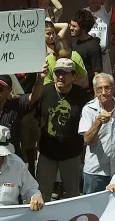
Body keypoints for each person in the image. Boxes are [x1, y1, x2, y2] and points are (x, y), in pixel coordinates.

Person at [35, 58, 90, 201]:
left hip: (71, 154)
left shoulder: (82, 95)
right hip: (47, 152)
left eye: (65, 73)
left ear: (74, 76)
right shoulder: (44, 91)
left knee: (73, 194)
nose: (60, 76)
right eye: (57, 72)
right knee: (42, 192)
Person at [79, 73, 115, 193]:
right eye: (99, 89)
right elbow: (87, 140)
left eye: (107, 88)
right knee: (92, 208)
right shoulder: (88, 110)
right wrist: (98, 122)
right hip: (96, 172)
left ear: (113, 89)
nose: (104, 92)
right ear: (94, 91)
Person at [70, 9, 103, 82]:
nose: (71, 28)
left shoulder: (93, 46)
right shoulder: (73, 40)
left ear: (84, 28)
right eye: (70, 25)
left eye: (74, 26)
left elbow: (97, 73)